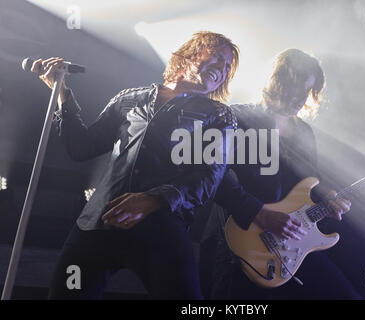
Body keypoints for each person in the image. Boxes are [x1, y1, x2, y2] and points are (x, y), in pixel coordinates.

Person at [32, 31, 240, 299]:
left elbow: (209, 177)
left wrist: (153, 200)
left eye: (227, 68)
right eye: (217, 58)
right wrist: (61, 93)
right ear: (191, 54)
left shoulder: (218, 115)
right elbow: (81, 147)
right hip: (98, 224)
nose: (221, 70)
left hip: (162, 229)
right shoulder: (130, 98)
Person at [200, 49, 359, 299]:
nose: (301, 98)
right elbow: (211, 177)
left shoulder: (304, 132)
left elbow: (309, 186)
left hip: (291, 247)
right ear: (279, 81)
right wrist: (261, 215)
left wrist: (328, 200)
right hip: (241, 245)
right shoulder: (237, 118)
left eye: (308, 91)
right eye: (297, 88)